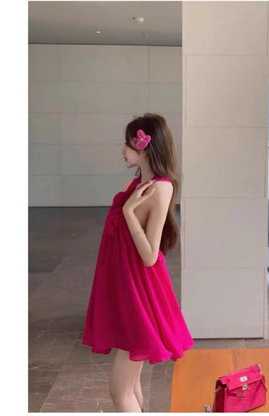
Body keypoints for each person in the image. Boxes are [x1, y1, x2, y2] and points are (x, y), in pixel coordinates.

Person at [82, 113, 195, 412]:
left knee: (119, 391)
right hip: (123, 285)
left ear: (144, 146)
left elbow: (149, 255)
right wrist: (129, 207)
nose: (123, 150)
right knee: (130, 387)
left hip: (139, 290)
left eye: (127, 144)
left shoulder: (161, 188)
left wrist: (129, 212)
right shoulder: (134, 184)